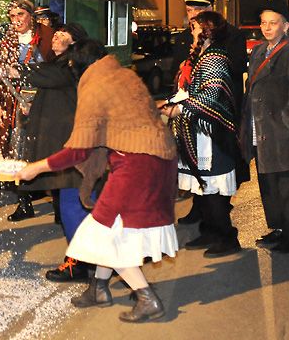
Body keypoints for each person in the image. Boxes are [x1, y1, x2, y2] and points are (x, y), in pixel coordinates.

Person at [16, 53, 178, 323]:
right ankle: (99, 289)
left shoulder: (95, 85)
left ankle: (146, 297)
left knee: (101, 235)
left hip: (135, 165)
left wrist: (37, 167)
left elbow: (78, 150)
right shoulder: (122, 75)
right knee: (110, 229)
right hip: (157, 159)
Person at [17, 25, 97, 282]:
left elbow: (49, 77)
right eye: (57, 33)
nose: (57, 37)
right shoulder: (62, 64)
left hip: (73, 144)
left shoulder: (71, 65)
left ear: (76, 44)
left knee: (73, 204)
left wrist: (17, 69)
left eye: (64, 35)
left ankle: (79, 262)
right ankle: (90, 258)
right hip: (70, 143)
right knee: (77, 202)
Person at [162, 10, 244, 257]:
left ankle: (227, 237)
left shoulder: (215, 58)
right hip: (198, 132)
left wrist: (178, 110)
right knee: (202, 188)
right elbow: (189, 90)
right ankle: (210, 231)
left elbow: (210, 97)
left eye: (196, 28)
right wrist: (169, 103)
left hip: (212, 135)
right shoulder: (202, 56)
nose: (192, 31)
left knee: (213, 189)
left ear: (207, 31)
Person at [240, 3, 289, 253]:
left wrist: (286, 123)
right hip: (259, 129)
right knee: (268, 182)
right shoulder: (258, 51)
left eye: (273, 23)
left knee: (287, 184)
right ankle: (279, 228)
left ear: (285, 26)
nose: (267, 27)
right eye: (264, 23)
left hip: (283, 132)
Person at [173, 0, 247, 226]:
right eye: (189, 9)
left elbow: (234, 71)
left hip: (218, 110)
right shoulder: (186, 36)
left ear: (210, 9)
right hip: (191, 110)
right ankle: (201, 209)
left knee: (218, 164)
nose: (194, 14)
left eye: (199, 8)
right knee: (195, 161)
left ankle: (219, 215)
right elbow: (178, 71)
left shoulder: (229, 36)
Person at [0, 0, 55, 221]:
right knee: (19, 151)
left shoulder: (47, 37)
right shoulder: (7, 41)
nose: (16, 20)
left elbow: (56, 71)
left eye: (21, 15)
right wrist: (0, 104)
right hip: (16, 104)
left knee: (47, 151)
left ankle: (57, 202)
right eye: (12, 16)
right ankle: (24, 202)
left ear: (31, 16)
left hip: (44, 102)